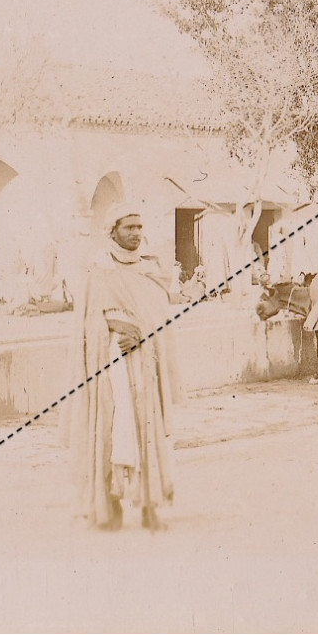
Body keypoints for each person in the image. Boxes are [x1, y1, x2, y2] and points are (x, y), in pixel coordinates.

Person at [68, 204, 182, 532]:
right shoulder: (99, 269)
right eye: (128, 227)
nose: (135, 233)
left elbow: (159, 316)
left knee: (148, 429)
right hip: (109, 362)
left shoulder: (149, 269)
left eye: (139, 227)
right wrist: (115, 325)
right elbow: (87, 317)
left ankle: (149, 506)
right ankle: (110, 506)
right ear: (113, 230)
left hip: (145, 361)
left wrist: (143, 334)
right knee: (110, 429)